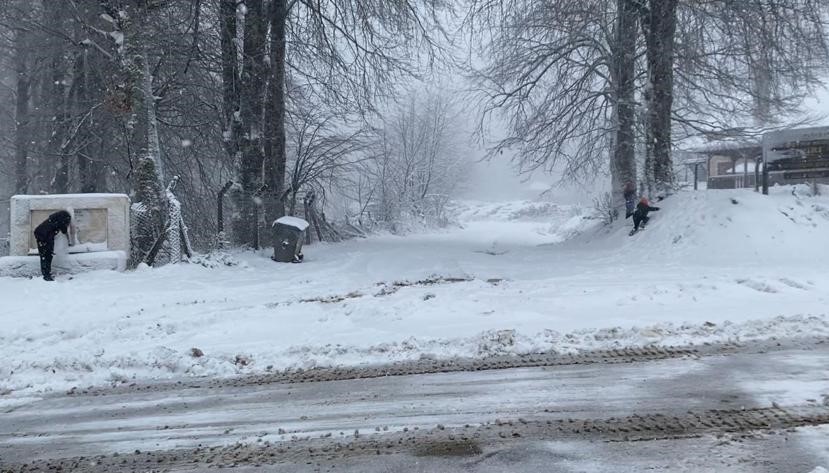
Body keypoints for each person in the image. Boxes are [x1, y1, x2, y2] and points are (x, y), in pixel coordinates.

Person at [33, 210, 73, 281]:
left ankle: (47, 273)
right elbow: (64, 230)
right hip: (43, 238)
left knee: (48, 256)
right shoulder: (55, 222)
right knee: (45, 256)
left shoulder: (54, 221)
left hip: (47, 238)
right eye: (68, 222)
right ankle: (46, 275)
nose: (68, 223)